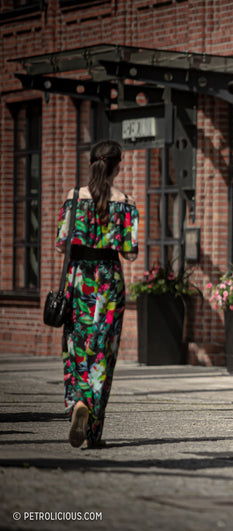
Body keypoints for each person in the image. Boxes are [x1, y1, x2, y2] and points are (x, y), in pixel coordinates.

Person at [55, 139, 139, 448]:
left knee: (76, 345)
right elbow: (130, 253)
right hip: (109, 282)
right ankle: (93, 429)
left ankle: (78, 400)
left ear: (92, 163)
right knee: (103, 352)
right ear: (118, 167)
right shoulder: (125, 202)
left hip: (79, 279)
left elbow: (61, 242)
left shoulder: (74, 197)